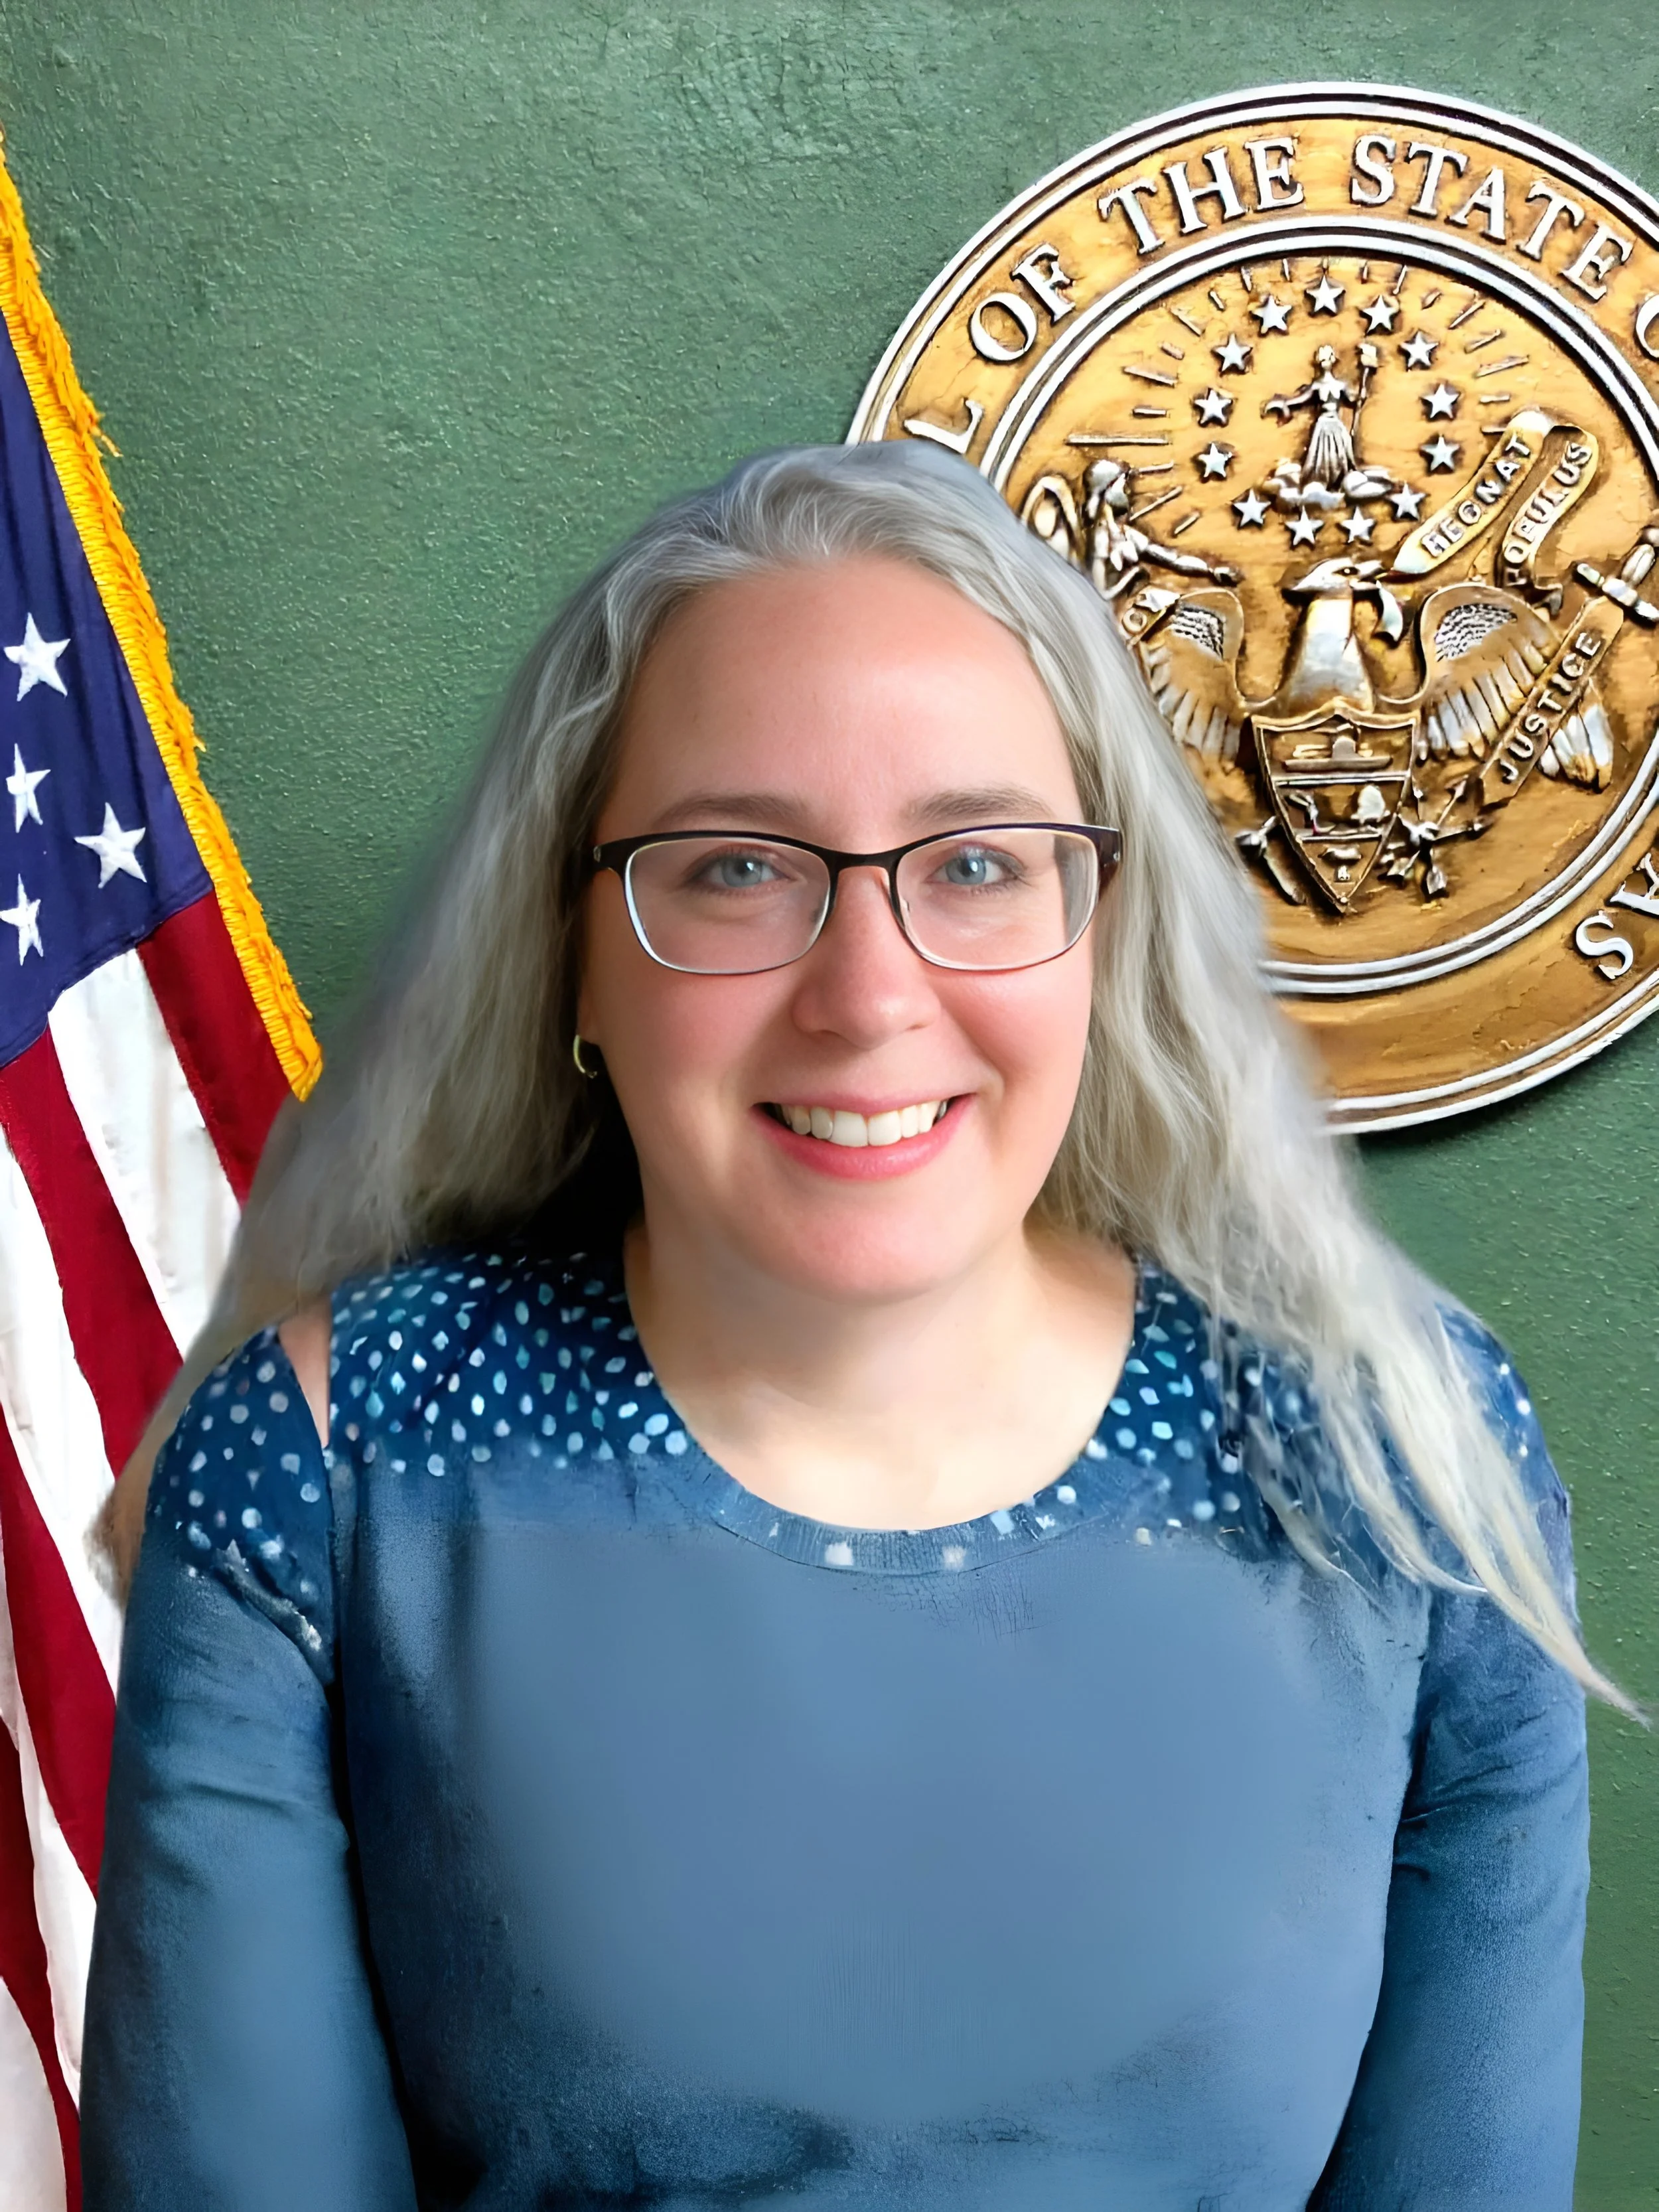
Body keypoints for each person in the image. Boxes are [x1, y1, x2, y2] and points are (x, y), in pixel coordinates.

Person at [83, 443, 1607, 2211]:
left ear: (1096, 934)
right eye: (734, 868)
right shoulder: (335, 1457)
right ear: (573, 946)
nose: (868, 993)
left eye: (973, 863)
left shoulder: (1402, 1452)